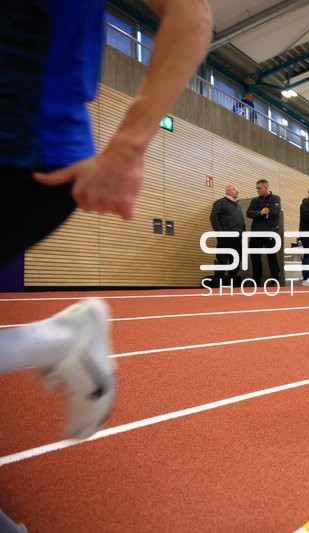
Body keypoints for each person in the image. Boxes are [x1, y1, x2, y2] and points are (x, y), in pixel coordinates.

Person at [0, 10, 211, 517]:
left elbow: (192, 13)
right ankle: (57, 341)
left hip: (23, 150)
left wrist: (129, 147)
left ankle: (60, 342)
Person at [246, 179, 282, 285]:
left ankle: (274, 279)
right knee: (255, 258)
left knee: (272, 257)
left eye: (259, 188)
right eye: (257, 188)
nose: (257, 190)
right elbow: (249, 213)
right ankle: (256, 279)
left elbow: (275, 211)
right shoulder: (254, 201)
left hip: (270, 232)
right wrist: (260, 212)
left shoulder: (276, 198)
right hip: (256, 233)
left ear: (266, 187)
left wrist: (266, 211)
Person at [209, 185, 245, 281]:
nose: (237, 191)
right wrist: (220, 233)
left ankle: (231, 282)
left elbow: (241, 221)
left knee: (236, 260)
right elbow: (214, 218)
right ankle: (217, 283)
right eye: (235, 189)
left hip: (238, 238)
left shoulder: (238, 205)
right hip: (225, 237)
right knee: (222, 260)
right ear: (228, 191)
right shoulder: (220, 203)